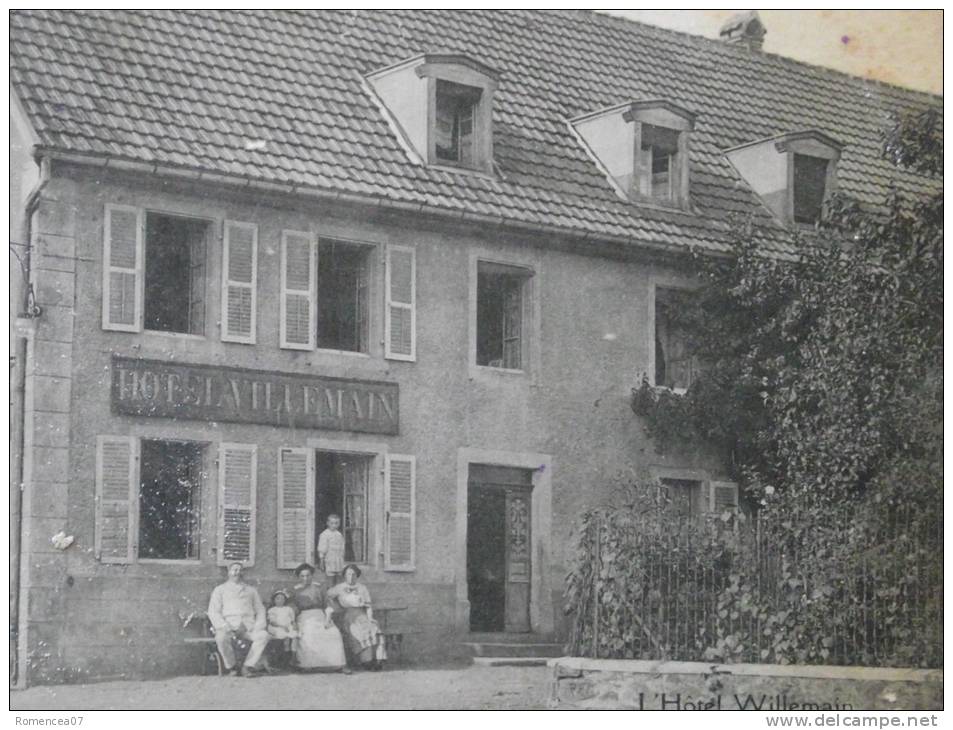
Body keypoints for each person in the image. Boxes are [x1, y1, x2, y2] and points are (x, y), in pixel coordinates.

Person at [207, 562, 270, 678]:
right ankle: (232, 667)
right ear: (228, 572)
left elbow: (260, 610)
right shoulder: (220, 590)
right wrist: (225, 626)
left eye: (239, 570)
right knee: (221, 638)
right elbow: (213, 611)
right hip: (229, 626)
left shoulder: (251, 590)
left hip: (248, 627)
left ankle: (247, 666)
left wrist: (258, 626)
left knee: (263, 635)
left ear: (243, 573)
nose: (237, 572)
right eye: (234, 570)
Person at [289, 563, 349, 673]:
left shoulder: (319, 588)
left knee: (334, 632)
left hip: (320, 616)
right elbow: (292, 607)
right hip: (304, 617)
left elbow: (328, 604)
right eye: (302, 576)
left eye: (308, 575)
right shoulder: (295, 590)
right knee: (309, 634)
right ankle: (308, 665)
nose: (305, 578)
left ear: (312, 576)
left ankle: (338, 664)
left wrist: (327, 619)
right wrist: (293, 620)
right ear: (299, 577)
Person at [328, 563, 386, 670]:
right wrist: (336, 606)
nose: (351, 577)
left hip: (362, 614)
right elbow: (327, 596)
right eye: (348, 574)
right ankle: (366, 661)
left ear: (357, 575)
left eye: (353, 574)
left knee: (374, 629)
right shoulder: (339, 588)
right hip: (348, 616)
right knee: (357, 631)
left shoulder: (362, 588)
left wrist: (370, 618)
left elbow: (368, 606)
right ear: (344, 575)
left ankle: (378, 660)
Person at [266, 590, 298, 666]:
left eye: (282, 599)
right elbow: (272, 622)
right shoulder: (272, 610)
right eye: (278, 598)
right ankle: (281, 660)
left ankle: (293, 658)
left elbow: (292, 620)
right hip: (277, 627)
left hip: (287, 626)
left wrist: (294, 625)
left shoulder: (288, 609)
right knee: (282, 636)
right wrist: (282, 627)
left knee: (295, 635)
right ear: (274, 600)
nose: (280, 600)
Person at [317, 514, 346, 587]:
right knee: (330, 579)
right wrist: (321, 561)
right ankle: (330, 595)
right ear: (328, 523)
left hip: (338, 560)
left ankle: (338, 595)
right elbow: (322, 548)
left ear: (339, 524)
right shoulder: (325, 534)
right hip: (330, 560)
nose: (334, 525)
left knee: (339, 579)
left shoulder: (339, 534)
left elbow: (342, 548)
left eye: (336, 523)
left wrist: (342, 557)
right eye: (332, 523)